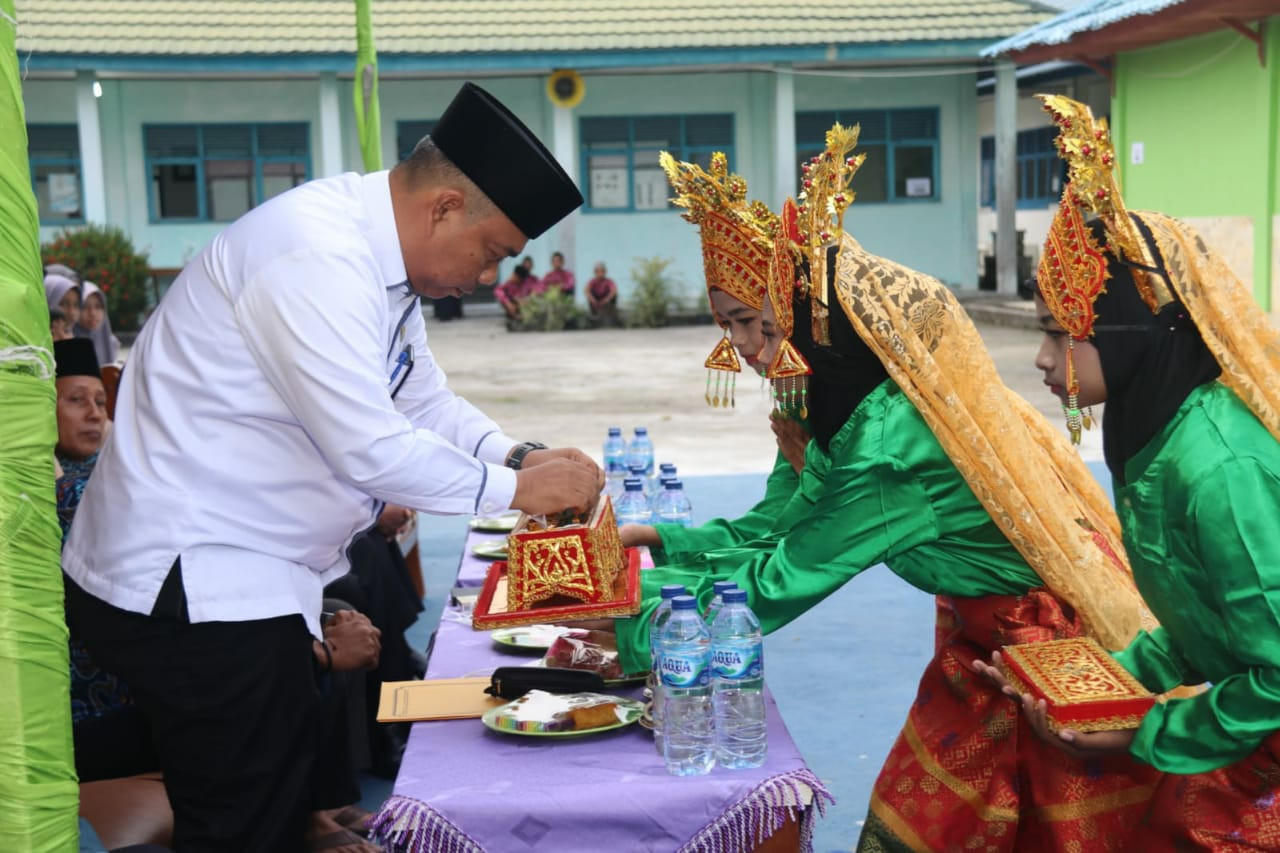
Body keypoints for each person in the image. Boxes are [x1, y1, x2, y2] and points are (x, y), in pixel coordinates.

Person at [62, 81, 601, 852]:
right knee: (242, 828)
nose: (488, 278)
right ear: (445, 207)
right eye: (492, 253)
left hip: (251, 581)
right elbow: (371, 445)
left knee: (271, 810)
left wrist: (515, 454)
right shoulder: (315, 253)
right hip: (189, 582)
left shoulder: (387, 270)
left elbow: (422, 399)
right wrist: (516, 489)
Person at [615, 140, 1165, 851]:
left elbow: (785, 573)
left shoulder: (886, 443)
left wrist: (630, 620)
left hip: (1041, 645)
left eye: (762, 323)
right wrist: (662, 552)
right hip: (982, 640)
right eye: (731, 325)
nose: (751, 348)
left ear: (823, 325)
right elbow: (782, 525)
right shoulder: (826, 405)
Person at [984, 94, 1280, 849]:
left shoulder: (1217, 466)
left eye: (1061, 335)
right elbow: (1200, 627)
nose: (1044, 360)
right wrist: (1088, 684)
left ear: (1129, 330)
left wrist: (1142, 729)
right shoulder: (1153, 434)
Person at [75, 280, 122, 366]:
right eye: (85, 307)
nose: (92, 313)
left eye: (98, 307)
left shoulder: (111, 343)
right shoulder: (67, 342)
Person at [586, 262, 619, 327]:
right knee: (590, 294)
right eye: (598, 271)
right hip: (596, 300)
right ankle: (594, 314)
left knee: (614, 295)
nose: (600, 273)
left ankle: (611, 313)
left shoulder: (609, 281)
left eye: (602, 271)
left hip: (606, 300)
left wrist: (606, 300)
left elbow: (613, 291)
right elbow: (586, 290)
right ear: (595, 272)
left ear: (605, 272)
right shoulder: (592, 281)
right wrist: (593, 300)